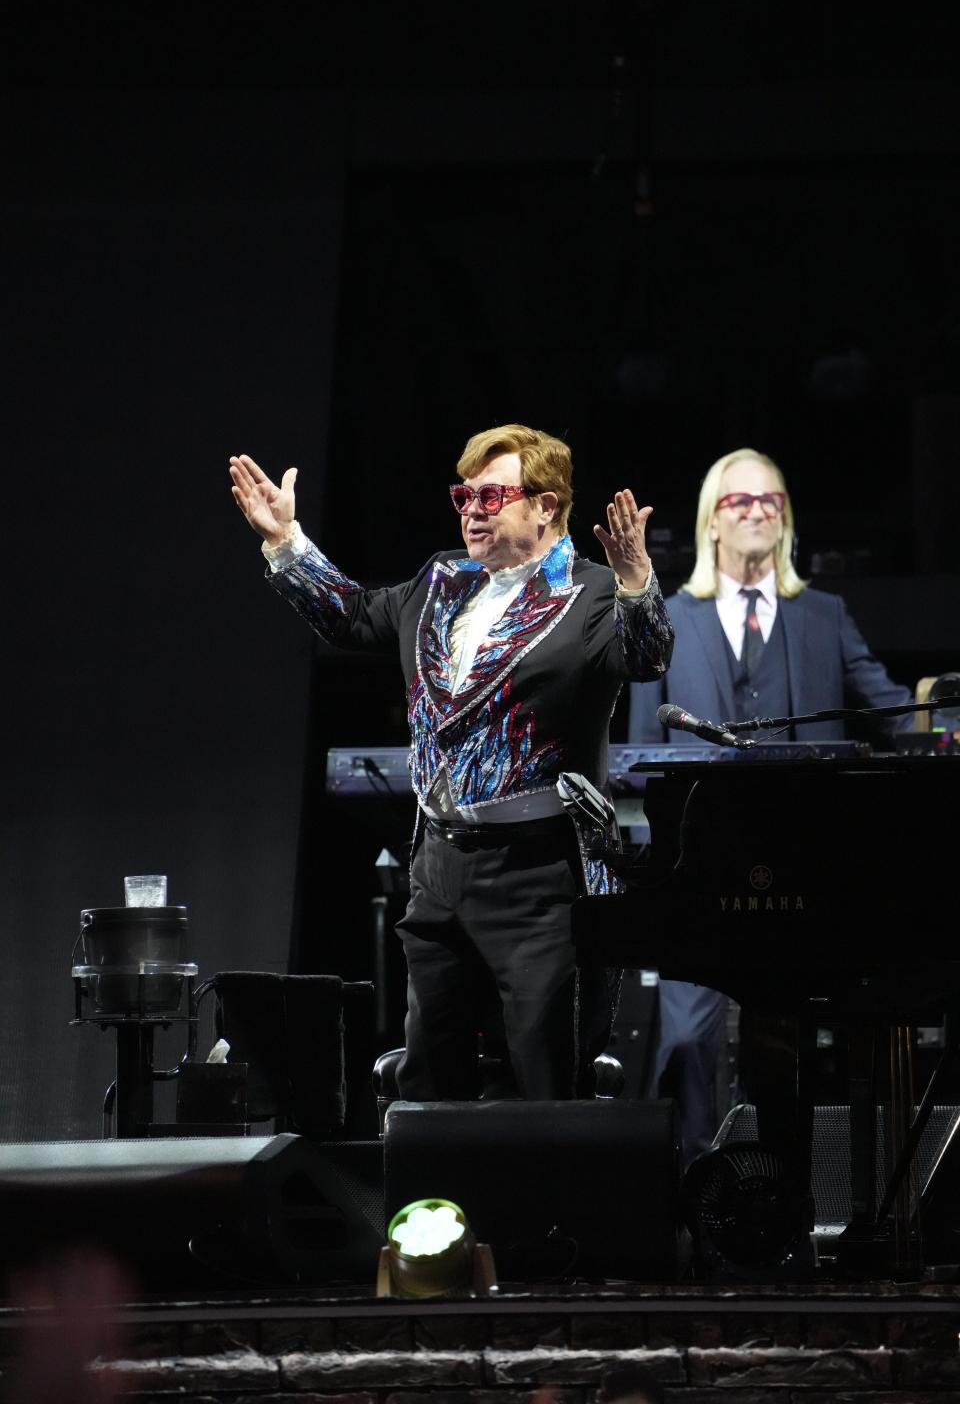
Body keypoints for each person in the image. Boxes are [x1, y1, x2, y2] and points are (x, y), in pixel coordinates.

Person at [230, 424, 674, 1101]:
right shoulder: (441, 581)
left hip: (538, 874)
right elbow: (351, 617)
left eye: (490, 498)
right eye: (463, 496)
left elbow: (645, 659)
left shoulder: (589, 593)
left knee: (543, 1074)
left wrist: (637, 580)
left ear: (545, 506)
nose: (470, 510)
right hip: (440, 867)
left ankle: (548, 1206)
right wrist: (285, 541)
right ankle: (439, 1203)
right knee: (431, 1073)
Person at [627, 446, 915, 1163]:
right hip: (697, 865)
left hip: (806, 861)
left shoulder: (823, 615)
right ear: (712, 522)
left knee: (784, 1041)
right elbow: (638, 755)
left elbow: (894, 712)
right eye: (740, 501)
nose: (757, 512)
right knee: (691, 1040)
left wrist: (944, 721)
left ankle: (794, 1199)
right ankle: (705, 1199)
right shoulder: (667, 618)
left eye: (771, 502)